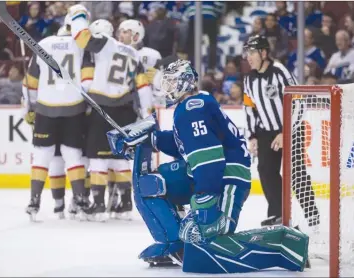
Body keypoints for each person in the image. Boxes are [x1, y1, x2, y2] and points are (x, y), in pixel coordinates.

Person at [106, 59, 309, 273]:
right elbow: (184, 144)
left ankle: (283, 246)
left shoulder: (192, 109)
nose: (167, 88)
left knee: (207, 240)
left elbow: (208, 157)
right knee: (151, 185)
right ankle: (173, 245)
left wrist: (205, 199)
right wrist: (150, 139)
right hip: (208, 177)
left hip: (227, 180)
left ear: (184, 82)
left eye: (172, 83)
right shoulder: (193, 104)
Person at [68, 4, 152, 222]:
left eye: (127, 31)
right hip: (125, 110)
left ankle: (98, 205)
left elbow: (81, 38)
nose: (122, 33)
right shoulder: (135, 57)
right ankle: (124, 204)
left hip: (101, 107)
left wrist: (78, 15)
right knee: (120, 158)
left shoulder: (108, 44)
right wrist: (147, 115)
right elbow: (143, 89)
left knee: (97, 158)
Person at [242, 35, 320, 227]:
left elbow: (298, 100)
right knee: (266, 171)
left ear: (264, 53)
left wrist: (285, 132)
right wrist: (252, 136)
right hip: (265, 132)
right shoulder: (249, 79)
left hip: (290, 129)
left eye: (252, 52)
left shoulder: (279, 72)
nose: (248, 57)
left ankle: (312, 215)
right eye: (247, 53)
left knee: (296, 173)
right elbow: (249, 108)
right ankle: (278, 213)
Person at [22, 14, 90, 221]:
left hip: (46, 107)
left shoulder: (44, 42)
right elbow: (88, 81)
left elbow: (30, 82)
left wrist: (29, 107)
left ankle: (34, 201)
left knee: (42, 156)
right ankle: (80, 199)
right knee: (73, 155)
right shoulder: (81, 45)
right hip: (74, 108)